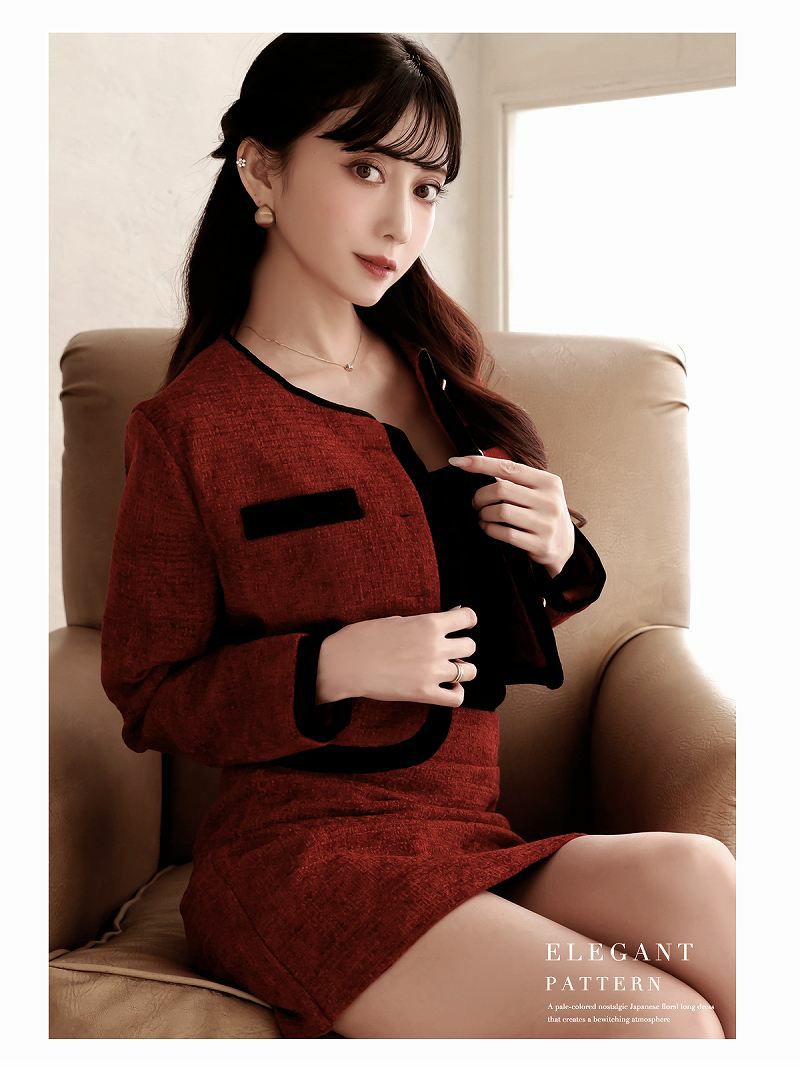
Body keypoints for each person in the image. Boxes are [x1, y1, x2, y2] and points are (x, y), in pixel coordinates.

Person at [100, 32, 735, 1039]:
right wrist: (329, 664)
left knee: (710, 884)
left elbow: (493, 612)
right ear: (261, 170)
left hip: (466, 832)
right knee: (661, 1023)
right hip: (296, 860)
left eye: (427, 186)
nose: (402, 221)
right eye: (364, 169)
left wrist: (559, 552)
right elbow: (149, 689)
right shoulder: (190, 427)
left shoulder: (446, 375)